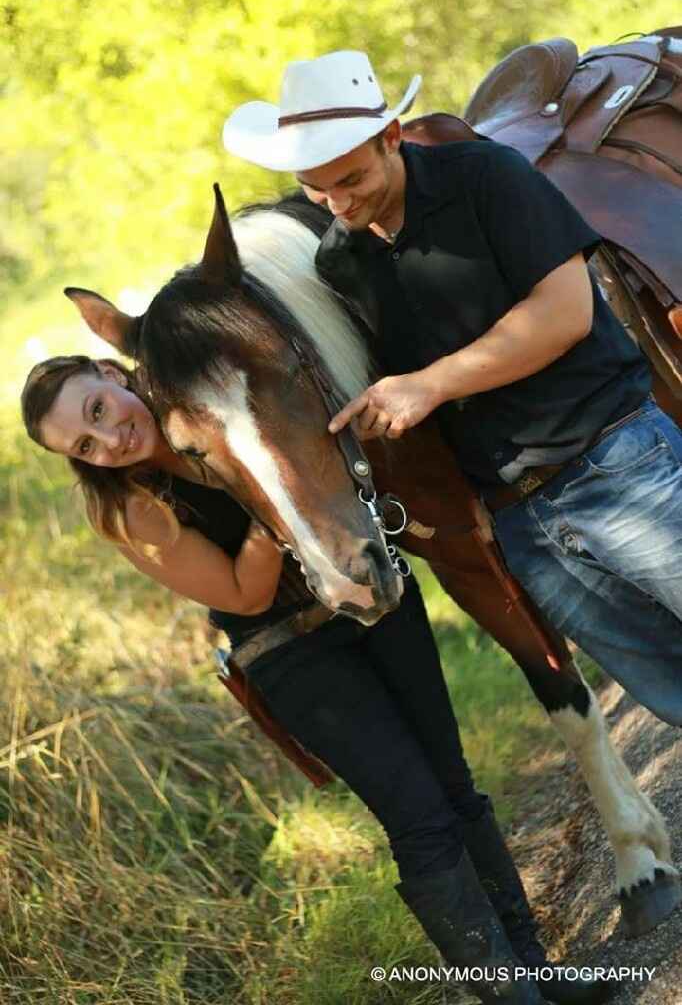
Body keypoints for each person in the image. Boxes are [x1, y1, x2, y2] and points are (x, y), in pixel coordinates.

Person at [20, 354, 612, 1005]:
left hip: (374, 600)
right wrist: (271, 486)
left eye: (98, 410)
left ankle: (532, 972)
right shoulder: (128, 507)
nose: (108, 441)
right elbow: (244, 594)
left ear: (114, 372)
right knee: (418, 818)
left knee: (455, 788)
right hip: (292, 651)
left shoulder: (215, 401)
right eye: (84, 445)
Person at [221, 49, 682, 729]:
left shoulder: (486, 177)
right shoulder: (342, 261)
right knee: (670, 694)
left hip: (615, 461)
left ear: (391, 136)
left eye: (350, 178)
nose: (337, 202)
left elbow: (564, 313)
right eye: (316, 189)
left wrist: (428, 385)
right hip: (524, 524)